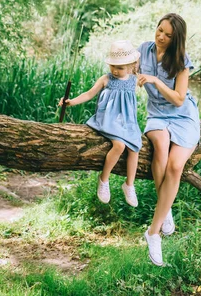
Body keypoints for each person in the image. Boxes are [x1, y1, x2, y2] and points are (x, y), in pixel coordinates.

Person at [137, 13, 200, 266]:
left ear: (176, 39)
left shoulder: (181, 61)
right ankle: (165, 210)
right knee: (160, 147)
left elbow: (179, 99)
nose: (160, 37)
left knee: (175, 166)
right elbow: (125, 70)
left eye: (167, 35)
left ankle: (152, 232)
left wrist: (153, 80)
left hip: (183, 116)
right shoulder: (143, 50)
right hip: (157, 116)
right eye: (159, 30)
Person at [58, 39, 142, 207]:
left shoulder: (135, 80)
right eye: (113, 66)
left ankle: (129, 185)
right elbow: (89, 94)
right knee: (119, 146)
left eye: (120, 67)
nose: (116, 71)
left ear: (132, 65)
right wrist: (71, 102)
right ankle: (104, 180)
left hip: (127, 122)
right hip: (109, 119)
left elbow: (155, 89)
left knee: (135, 147)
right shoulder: (106, 79)